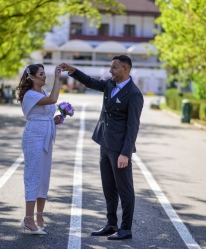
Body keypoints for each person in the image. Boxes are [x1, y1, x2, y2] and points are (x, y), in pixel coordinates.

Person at [60, 55, 144, 240]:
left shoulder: (134, 94)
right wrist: (73, 71)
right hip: (104, 143)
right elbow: (90, 82)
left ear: (125, 69)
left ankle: (126, 229)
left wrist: (125, 153)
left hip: (119, 148)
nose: (110, 70)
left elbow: (133, 126)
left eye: (114, 67)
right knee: (108, 187)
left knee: (125, 189)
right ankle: (111, 224)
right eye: (110, 67)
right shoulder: (110, 85)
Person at [16, 63, 63, 235]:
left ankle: (39, 217)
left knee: (44, 176)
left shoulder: (42, 92)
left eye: (45, 74)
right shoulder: (30, 94)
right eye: (41, 74)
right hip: (34, 137)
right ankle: (28, 219)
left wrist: (56, 118)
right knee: (33, 175)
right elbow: (53, 100)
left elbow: (48, 110)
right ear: (32, 77)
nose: (45, 76)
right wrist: (58, 78)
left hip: (46, 137)